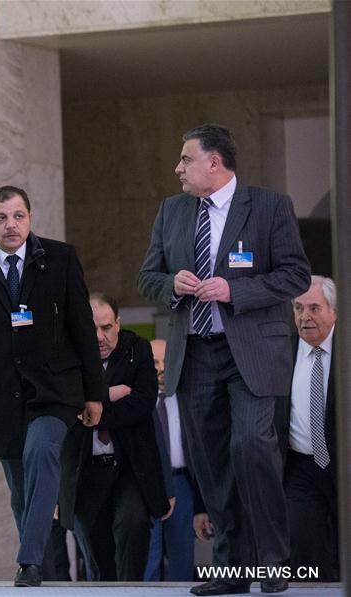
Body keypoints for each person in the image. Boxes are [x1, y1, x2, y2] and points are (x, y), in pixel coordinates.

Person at [138, 123, 311, 596]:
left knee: (251, 447)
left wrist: (236, 289)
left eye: (185, 159)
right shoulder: (171, 211)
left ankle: (273, 563)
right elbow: (147, 276)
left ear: (214, 162)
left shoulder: (271, 206)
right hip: (194, 354)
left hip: (253, 353)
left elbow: (295, 274)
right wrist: (172, 283)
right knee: (212, 463)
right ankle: (231, 570)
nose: (177, 168)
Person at [0, 185, 104, 588]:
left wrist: (94, 393)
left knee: (42, 450)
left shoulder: (60, 258)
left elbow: (83, 330)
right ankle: (42, 572)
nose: (10, 225)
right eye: (0, 218)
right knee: (19, 490)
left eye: (18, 216)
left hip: (55, 389)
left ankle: (28, 560)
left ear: (30, 217)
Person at [59, 293, 169, 581]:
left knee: (132, 526)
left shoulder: (138, 349)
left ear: (118, 323)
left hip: (130, 467)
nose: (99, 337)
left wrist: (89, 410)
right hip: (86, 471)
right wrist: (107, 395)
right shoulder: (67, 354)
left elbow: (142, 404)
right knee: (98, 557)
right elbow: (62, 405)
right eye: (91, 328)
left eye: (106, 328)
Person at [277, 276, 339, 581]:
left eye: (314, 308)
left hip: (343, 467)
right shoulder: (282, 352)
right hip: (300, 467)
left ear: (334, 311)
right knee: (303, 545)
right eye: (299, 308)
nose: (305, 316)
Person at [144, 338, 198, 582]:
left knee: (182, 562)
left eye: (166, 360)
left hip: (182, 484)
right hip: (147, 488)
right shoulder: (138, 403)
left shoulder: (190, 400)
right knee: (148, 562)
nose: (162, 367)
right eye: (154, 362)